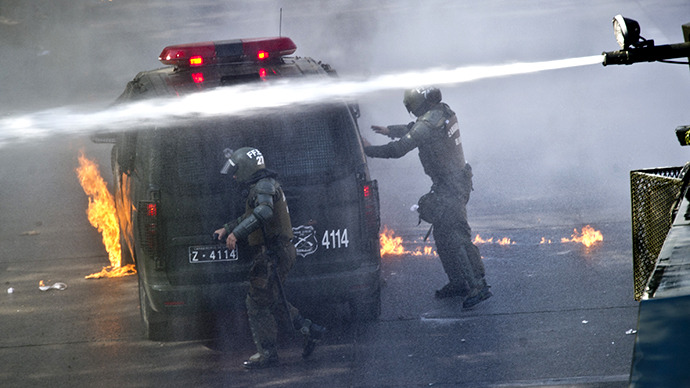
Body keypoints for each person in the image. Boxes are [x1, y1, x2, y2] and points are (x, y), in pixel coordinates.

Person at [363, 87, 492, 308]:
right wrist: (389, 130)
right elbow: (415, 129)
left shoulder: (429, 123)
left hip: (450, 186)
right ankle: (459, 282)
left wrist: (369, 150)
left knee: (456, 235)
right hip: (453, 182)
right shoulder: (441, 112)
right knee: (442, 235)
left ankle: (477, 286)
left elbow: (400, 148)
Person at [213, 147, 325, 369]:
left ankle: (268, 355)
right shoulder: (262, 185)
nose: (234, 176)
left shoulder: (263, 186)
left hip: (272, 252)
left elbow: (263, 213)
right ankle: (310, 330)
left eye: (237, 171)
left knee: (256, 303)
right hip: (276, 252)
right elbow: (250, 215)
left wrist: (237, 234)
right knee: (273, 299)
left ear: (247, 168)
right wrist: (227, 228)